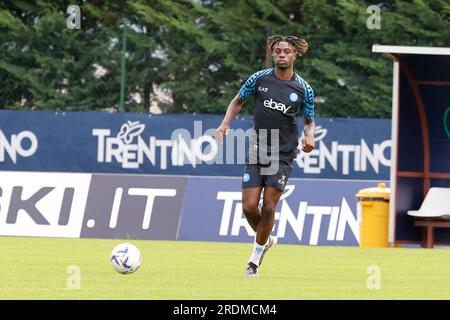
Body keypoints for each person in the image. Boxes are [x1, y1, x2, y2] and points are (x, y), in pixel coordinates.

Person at [216, 35, 316, 277]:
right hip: (258, 149)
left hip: (282, 155)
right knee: (250, 208)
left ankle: (254, 260)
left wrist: (309, 136)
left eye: (287, 51)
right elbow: (237, 101)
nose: (282, 54)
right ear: (273, 54)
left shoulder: (304, 89)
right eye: (278, 51)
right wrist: (225, 124)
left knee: (269, 207)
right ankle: (266, 240)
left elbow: (310, 120)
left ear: (295, 56)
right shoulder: (258, 79)